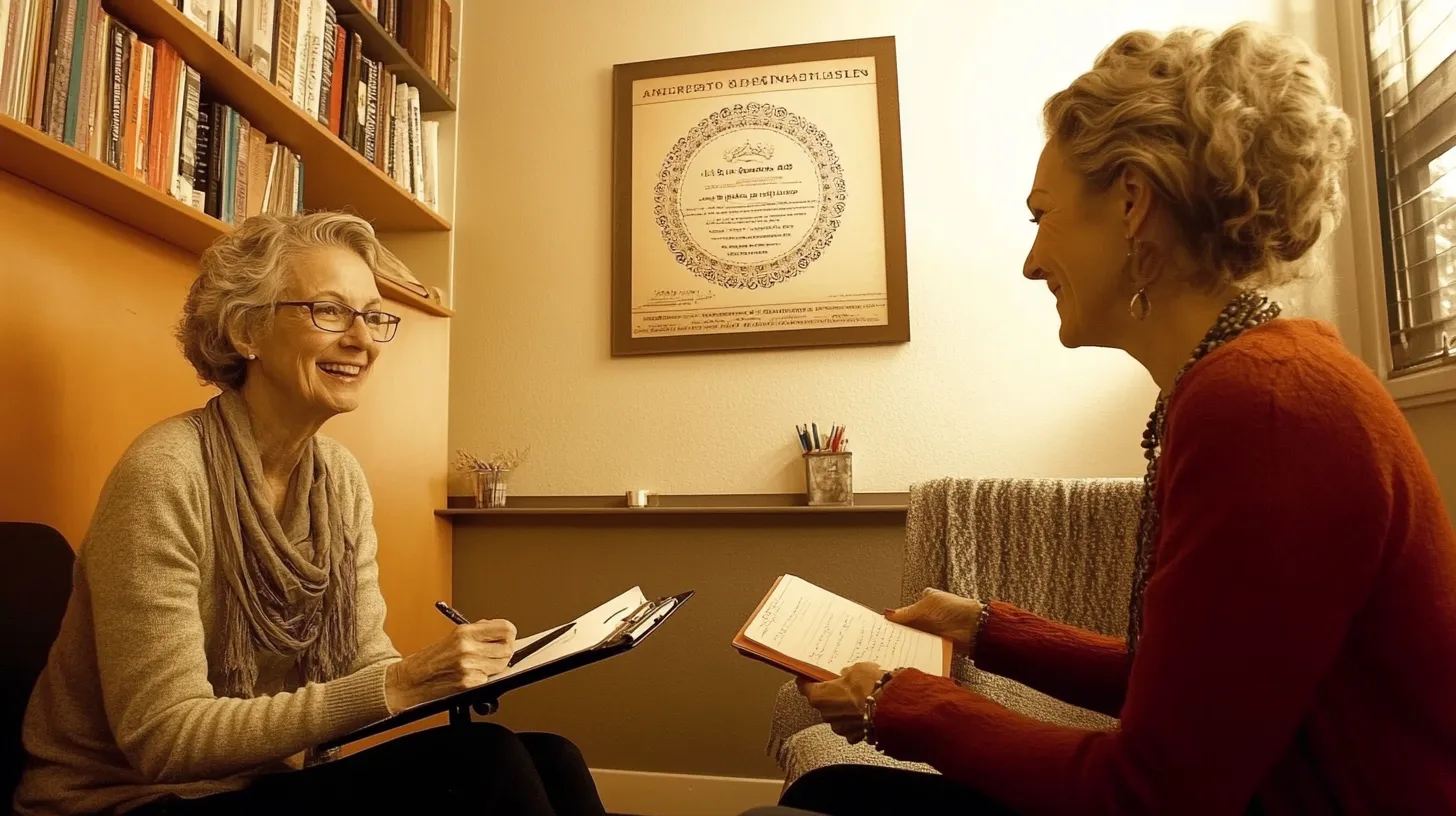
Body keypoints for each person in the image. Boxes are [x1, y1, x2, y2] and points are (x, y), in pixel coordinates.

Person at [790, 22, 1456, 816]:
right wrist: (981, 627)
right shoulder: (1254, 379)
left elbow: (1150, 792)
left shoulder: (1267, 407)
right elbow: (1194, 686)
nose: (1031, 261)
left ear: (1133, 200)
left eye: (1042, 215)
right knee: (837, 791)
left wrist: (897, 705)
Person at [13, 213, 606, 816]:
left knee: (550, 755)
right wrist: (400, 684)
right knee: (484, 760)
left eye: (373, 316)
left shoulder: (339, 480)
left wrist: (458, 670)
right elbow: (164, 738)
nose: (364, 340)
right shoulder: (165, 474)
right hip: (126, 800)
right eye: (329, 311)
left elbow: (364, 663)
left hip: (257, 781)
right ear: (246, 331)